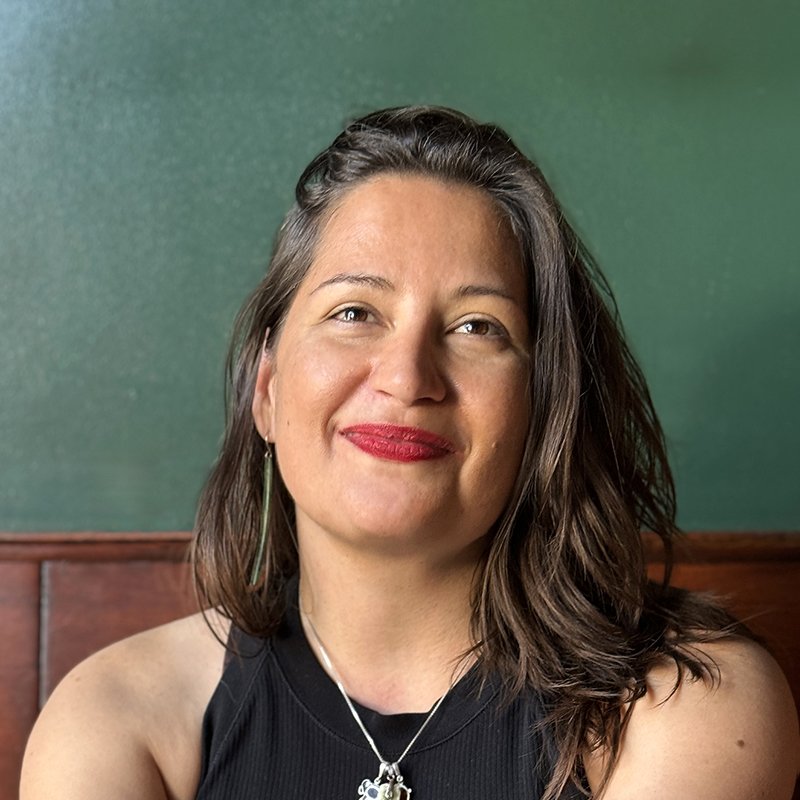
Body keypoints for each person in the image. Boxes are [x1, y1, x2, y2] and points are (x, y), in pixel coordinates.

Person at [20, 105, 799, 800]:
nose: (406, 377)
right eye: (355, 311)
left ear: (543, 409)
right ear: (266, 389)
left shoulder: (689, 702)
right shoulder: (115, 718)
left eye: (476, 328)